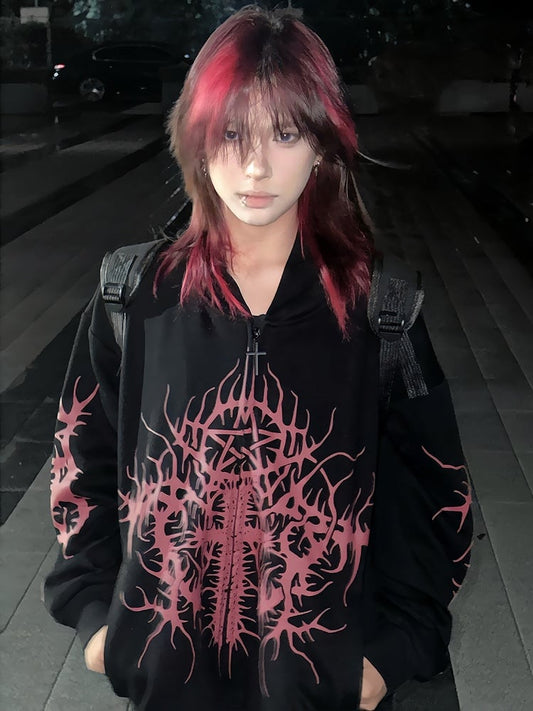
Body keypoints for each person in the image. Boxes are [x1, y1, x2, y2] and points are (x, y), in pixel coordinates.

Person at [43, 6, 473, 711]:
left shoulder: (381, 310)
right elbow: (80, 462)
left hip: (322, 691)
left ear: (323, 143)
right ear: (197, 137)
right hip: (168, 687)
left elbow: (433, 499)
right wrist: (99, 621)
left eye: (285, 133)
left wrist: (386, 656)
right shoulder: (134, 297)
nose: (254, 166)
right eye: (232, 133)